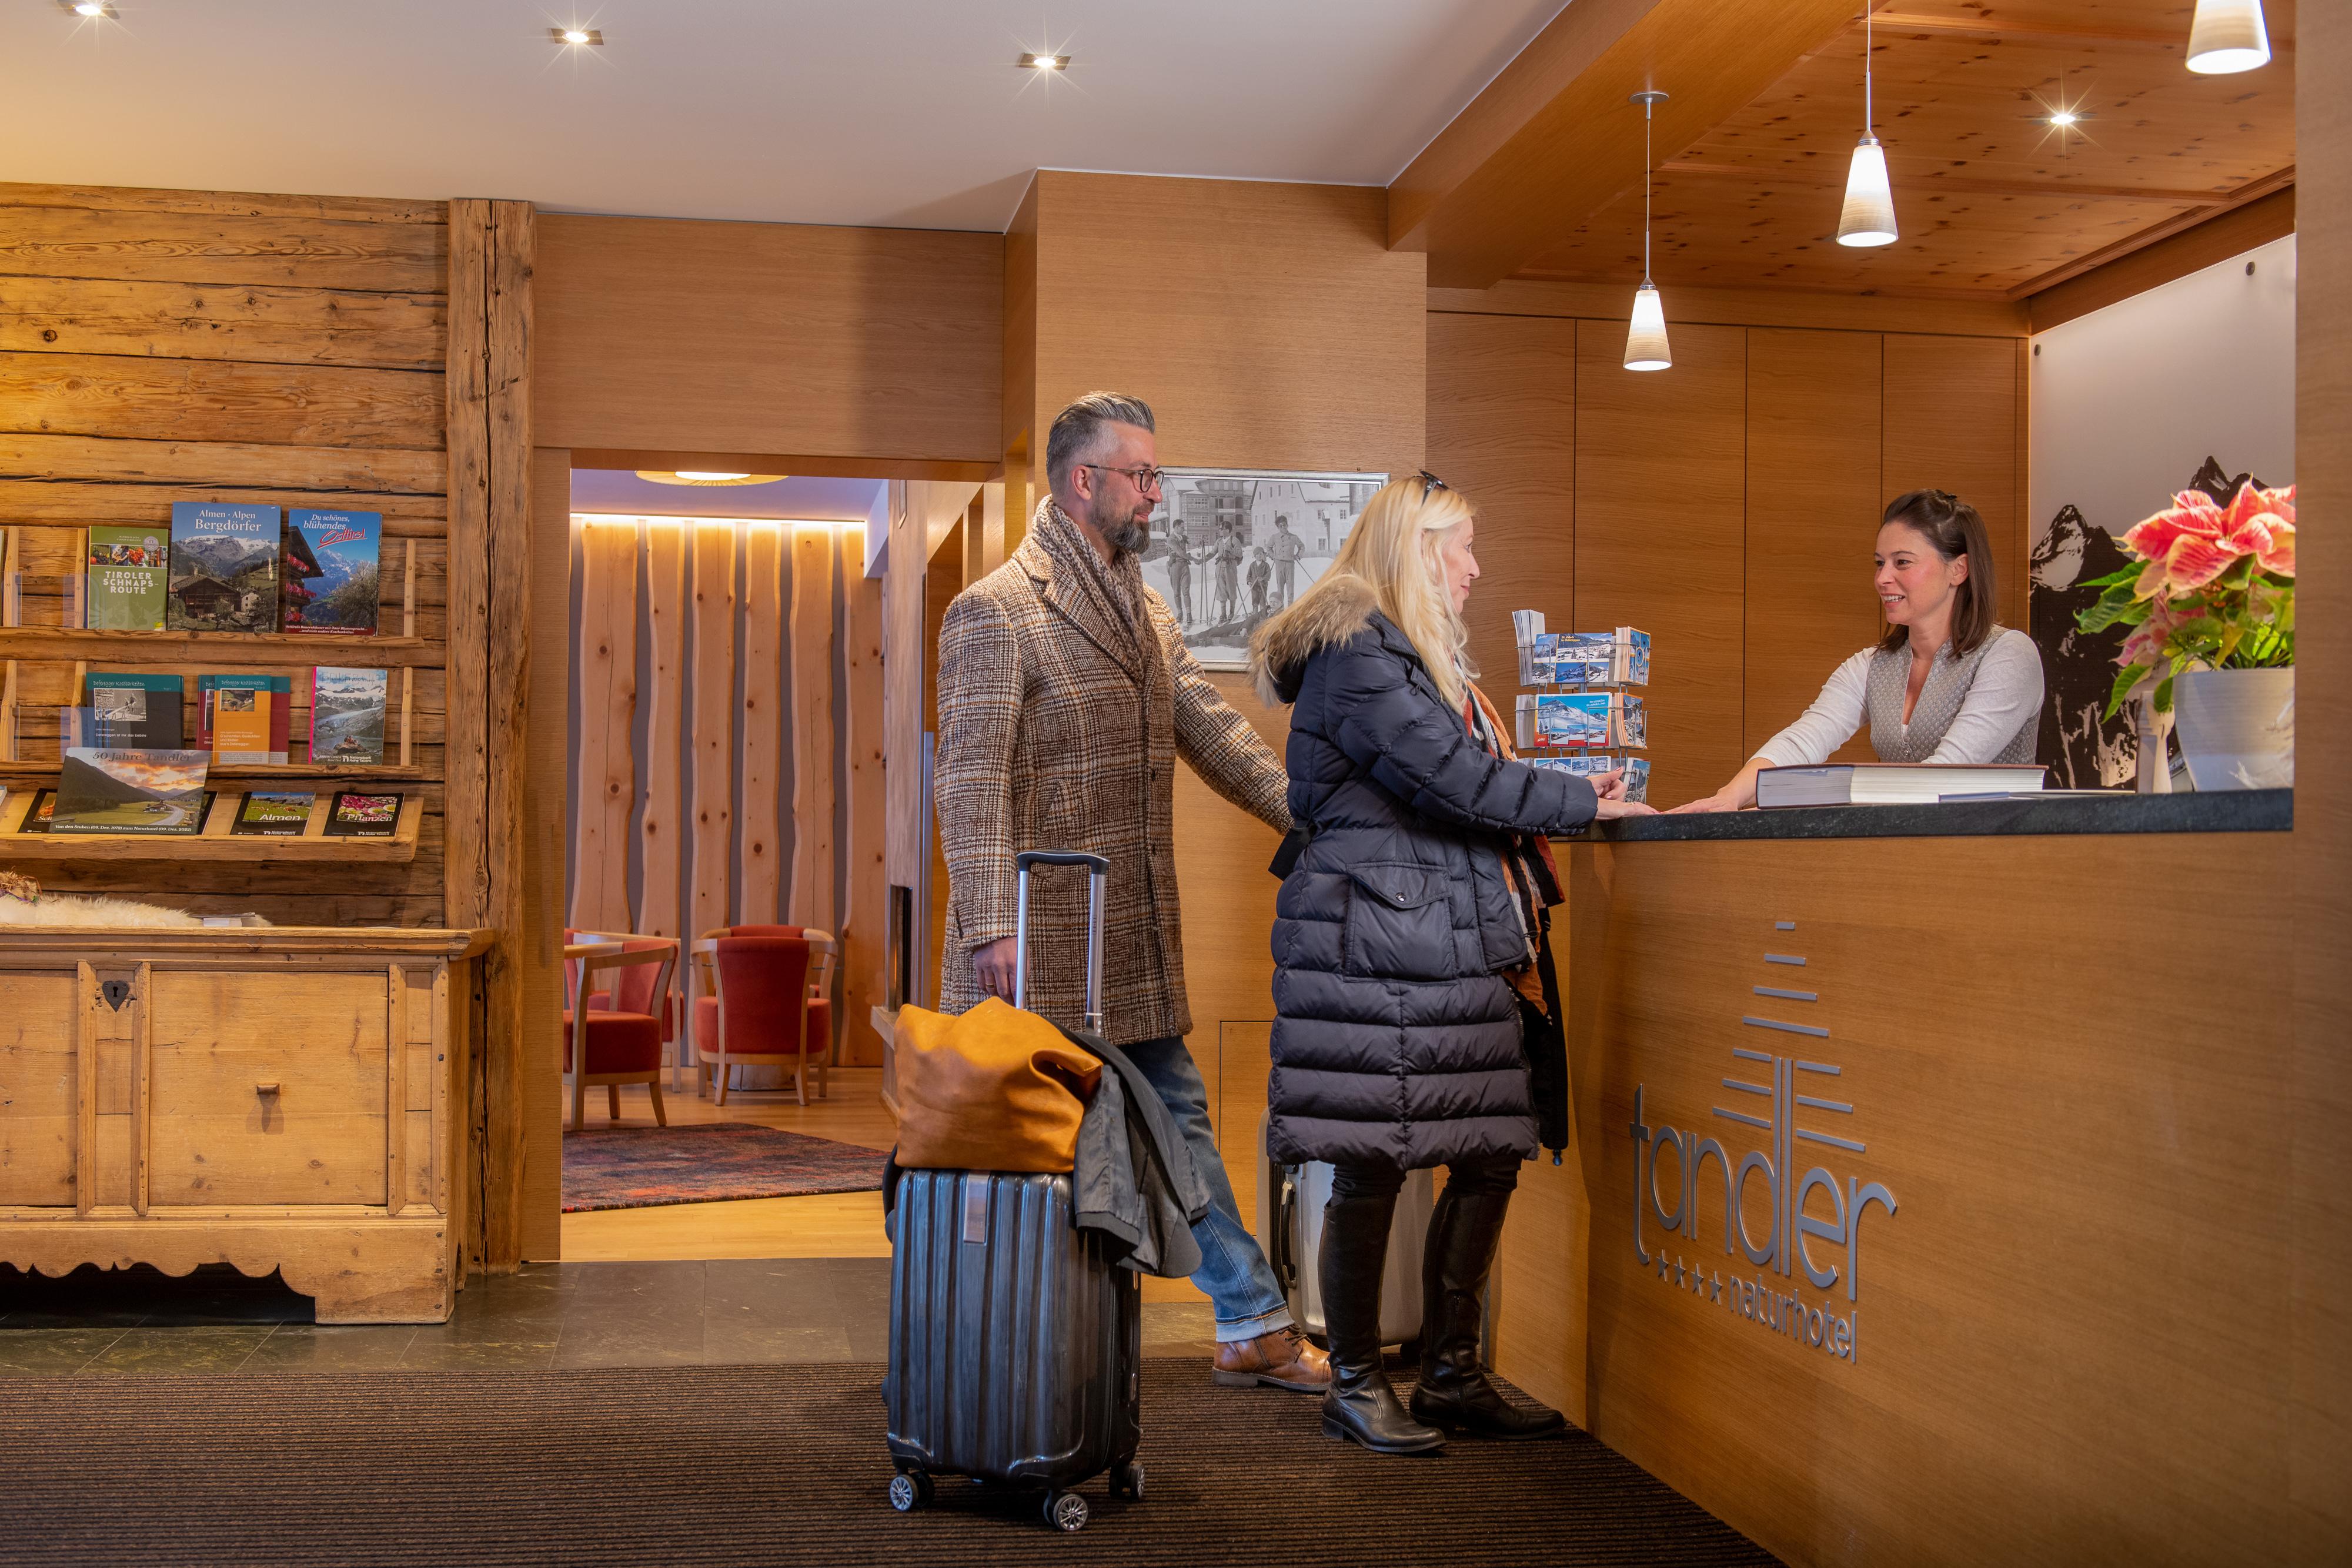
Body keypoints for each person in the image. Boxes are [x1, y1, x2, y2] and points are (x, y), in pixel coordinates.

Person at [1248, 472, 1655, 1455]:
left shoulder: (1403, 652)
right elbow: (1457, 779)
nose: (1475, 567)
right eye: (1461, 547)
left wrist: (1566, 789)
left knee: (1490, 1146)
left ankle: (1451, 1373)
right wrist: (1581, 799)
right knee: (1371, 1164)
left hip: (1438, 944)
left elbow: (1462, 777)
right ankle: (1355, 1381)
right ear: (1415, 550)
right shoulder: (1358, 651)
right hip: (1378, 949)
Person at [933, 390, 1331, 1395]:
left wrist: (1310, 816)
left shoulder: (1145, 607)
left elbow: (1211, 729)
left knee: (1176, 1119)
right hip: (1033, 939)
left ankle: (1250, 1318)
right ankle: (994, 1346)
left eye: (1155, 474)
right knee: (1027, 1148)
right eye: (1143, 474)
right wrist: (990, 925)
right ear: (1085, 481)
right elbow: (970, 782)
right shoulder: (995, 608)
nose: (1157, 492)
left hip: (1131, 933)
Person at [1674, 489, 2044, 812]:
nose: (1883, 578)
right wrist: (1729, 798)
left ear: (1959, 570)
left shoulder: (2009, 654)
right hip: (1909, 850)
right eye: (1880, 563)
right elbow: (1803, 741)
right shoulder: (1871, 665)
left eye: (1902, 562)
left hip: (1997, 856)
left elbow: (1947, 773)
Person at [1265, 514, 1305, 609]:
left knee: (1290, 587)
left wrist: (1298, 556)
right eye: (1280, 526)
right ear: (1278, 527)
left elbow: (1302, 547)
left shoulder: (1294, 537)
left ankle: (1290, 608)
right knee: (1280, 587)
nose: (1283, 527)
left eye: (1284, 525)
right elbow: (1269, 548)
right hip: (1279, 564)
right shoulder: (1274, 537)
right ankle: (1281, 608)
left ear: (1287, 525)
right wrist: (1274, 556)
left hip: (1290, 564)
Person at [1247, 547, 1271, 616]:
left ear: (1263, 555)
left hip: (1263, 586)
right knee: (1255, 602)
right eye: (1257, 554)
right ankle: (1255, 616)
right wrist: (1249, 582)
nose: (1259, 556)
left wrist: (1263, 579)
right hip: (1254, 587)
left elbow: (1268, 575)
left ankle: (1262, 616)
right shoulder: (1252, 565)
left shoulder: (1266, 565)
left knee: (1263, 602)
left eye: (1261, 554)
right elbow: (1249, 575)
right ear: (1255, 556)